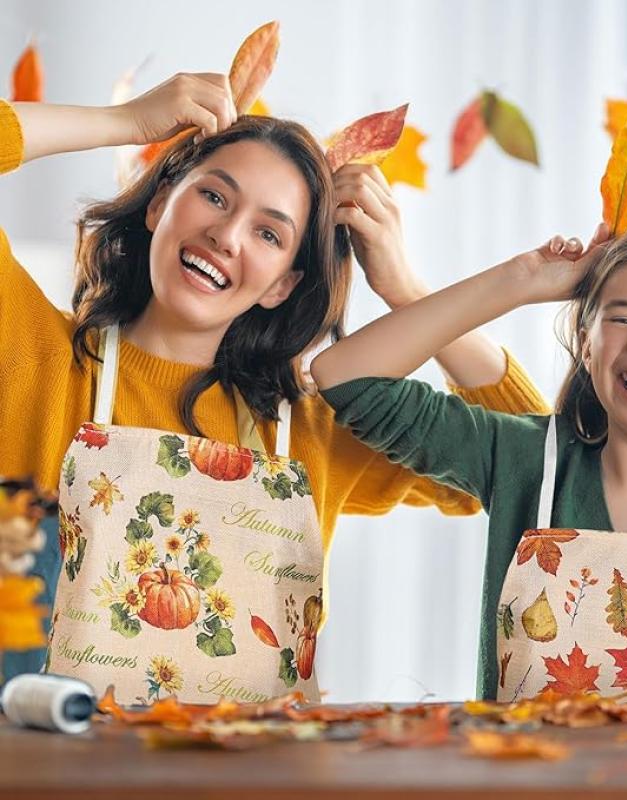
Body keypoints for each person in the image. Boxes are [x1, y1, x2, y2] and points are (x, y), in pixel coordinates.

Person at [0, 73, 549, 699]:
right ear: (158, 205)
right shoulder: (30, 355)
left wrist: (408, 293)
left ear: (283, 284)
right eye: (214, 196)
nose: (226, 236)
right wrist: (122, 120)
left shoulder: (313, 429)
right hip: (56, 776)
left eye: (269, 233)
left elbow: (536, 467)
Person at [311, 223, 627, 703]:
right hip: (541, 781)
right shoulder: (520, 457)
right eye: (623, 318)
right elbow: (346, 375)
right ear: (587, 345)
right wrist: (519, 281)